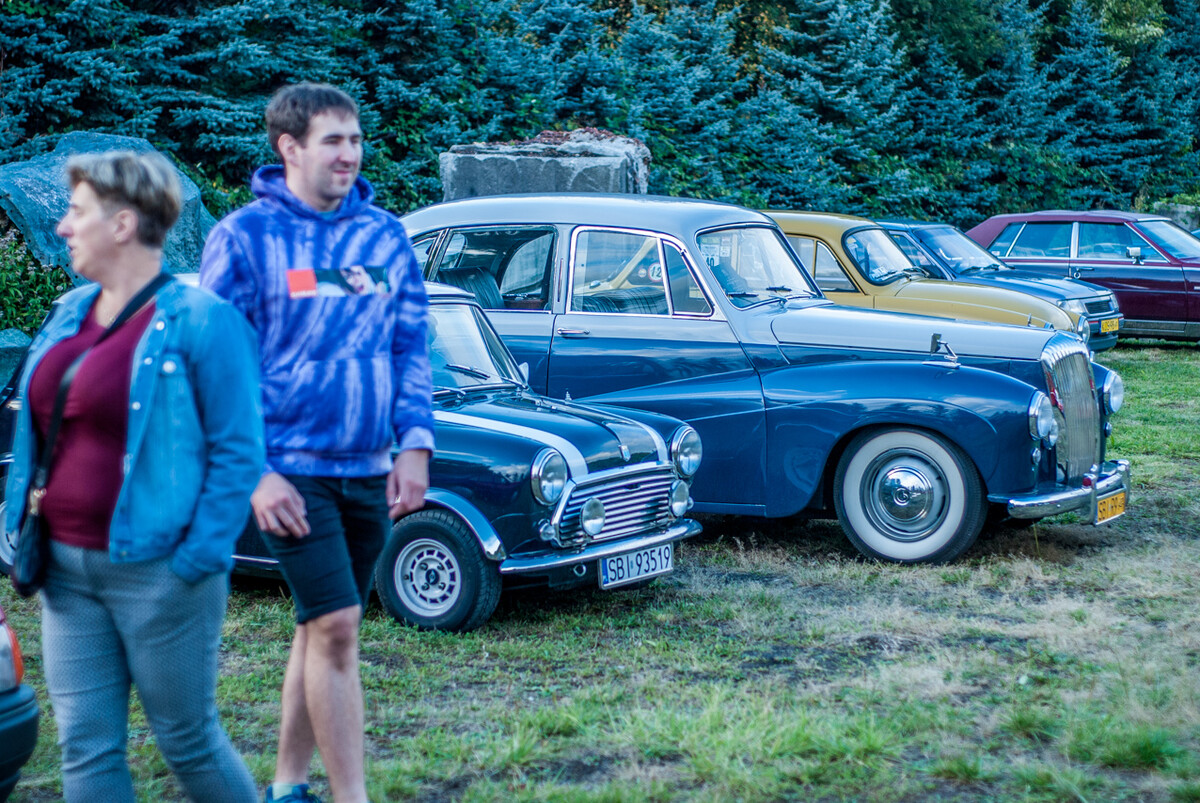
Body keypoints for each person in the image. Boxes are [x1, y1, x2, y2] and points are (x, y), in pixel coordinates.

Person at [3, 150, 263, 802]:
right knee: (85, 746)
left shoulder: (204, 319)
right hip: (65, 571)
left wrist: (195, 560)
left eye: (77, 211)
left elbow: (239, 453)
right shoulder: (70, 312)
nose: (62, 227)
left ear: (122, 223)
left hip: (160, 571)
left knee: (188, 740)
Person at [199, 83, 434, 803]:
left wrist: (414, 443)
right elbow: (214, 365)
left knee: (320, 626)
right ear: (290, 147)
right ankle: (351, 795)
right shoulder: (244, 238)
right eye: (333, 140)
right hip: (290, 471)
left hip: (367, 466)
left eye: (355, 139)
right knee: (336, 625)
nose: (349, 154)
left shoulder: (384, 236)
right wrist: (255, 472)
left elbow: (410, 344)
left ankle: (286, 784)